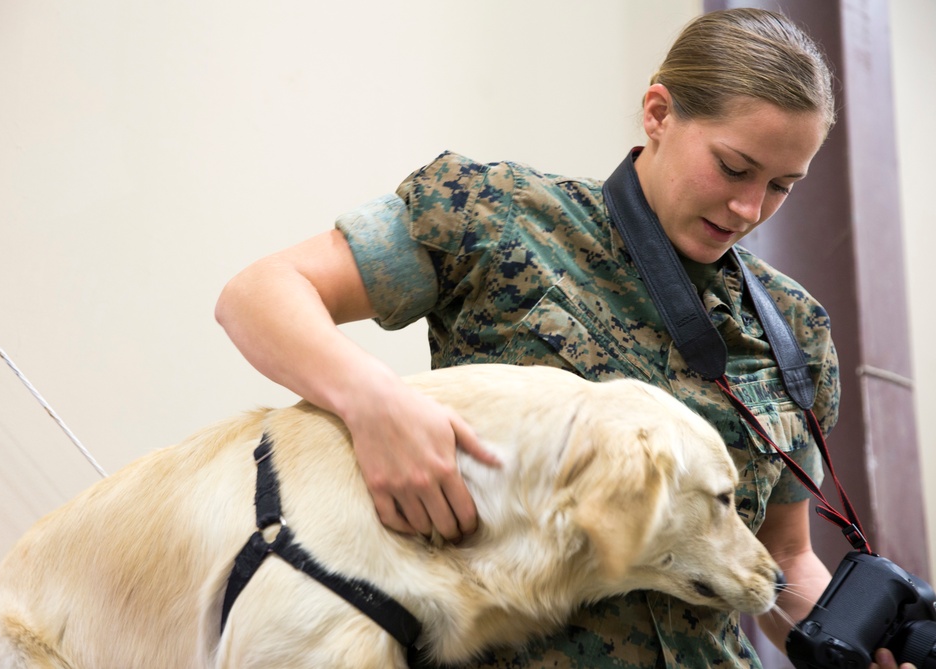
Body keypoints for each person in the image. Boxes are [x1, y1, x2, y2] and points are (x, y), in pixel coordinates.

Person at [216, 8, 914, 669]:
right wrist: (374, 404)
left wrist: (845, 646)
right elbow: (259, 295)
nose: (749, 208)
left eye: (782, 186)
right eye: (734, 167)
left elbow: (785, 559)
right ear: (659, 113)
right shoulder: (494, 215)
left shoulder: (796, 327)